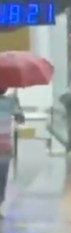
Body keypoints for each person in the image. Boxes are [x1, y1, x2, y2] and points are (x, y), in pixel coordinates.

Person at [0, 88, 24, 218]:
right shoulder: (10, 102)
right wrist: (16, 103)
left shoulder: (10, 102)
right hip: (4, 145)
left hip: (4, 146)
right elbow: (21, 119)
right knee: (2, 177)